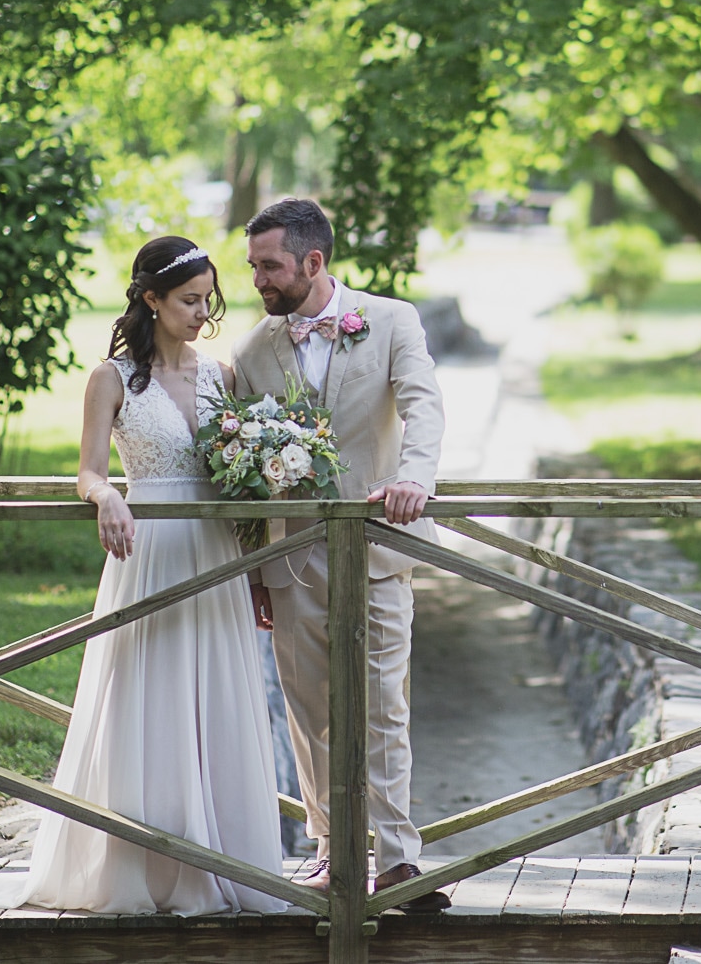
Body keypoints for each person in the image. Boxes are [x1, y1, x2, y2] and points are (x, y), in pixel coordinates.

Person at [22, 234, 293, 914]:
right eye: (187, 299)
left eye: (208, 298)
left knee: (216, 696)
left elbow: (241, 468)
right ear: (150, 298)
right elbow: (88, 467)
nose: (202, 311)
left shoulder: (220, 375)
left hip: (215, 552)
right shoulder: (110, 378)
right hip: (148, 551)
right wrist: (106, 494)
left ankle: (222, 857)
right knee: (151, 691)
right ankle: (142, 860)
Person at [232, 198, 449, 910]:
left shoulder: (391, 320)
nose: (258, 278)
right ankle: (330, 850)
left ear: (313, 261)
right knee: (307, 709)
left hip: (377, 546)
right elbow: (235, 466)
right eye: (255, 265)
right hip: (291, 557)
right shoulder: (252, 350)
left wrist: (415, 475)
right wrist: (254, 567)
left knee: (383, 702)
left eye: (270, 265)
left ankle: (395, 860)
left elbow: (424, 404)